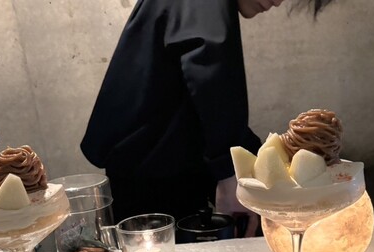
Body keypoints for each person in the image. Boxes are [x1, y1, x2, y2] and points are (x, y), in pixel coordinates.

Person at [81, 0, 334, 237]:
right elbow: (209, 73)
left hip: (156, 163)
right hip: (152, 174)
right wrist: (229, 173)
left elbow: (197, 94)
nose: (278, 1)